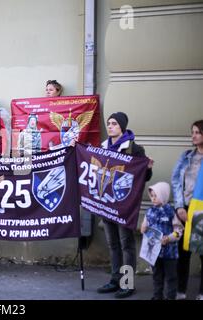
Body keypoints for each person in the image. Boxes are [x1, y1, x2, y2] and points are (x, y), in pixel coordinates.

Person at [97, 112, 153, 299]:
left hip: (125, 207)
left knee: (126, 244)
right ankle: (115, 280)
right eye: (109, 123)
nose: (110, 126)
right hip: (106, 204)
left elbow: (142, 178)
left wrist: (148, 169)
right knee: (113, 244)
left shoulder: (134, 149)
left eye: (114, 123)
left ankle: (127, 283)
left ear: (122, 126)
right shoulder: (103, 147)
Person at [171, 119, 203, 300]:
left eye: (197, 132)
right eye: (192, 132)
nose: (193, 135)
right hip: (187, 209)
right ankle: (180, 292)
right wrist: (179, 207)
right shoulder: (186, 156)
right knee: (183, 253)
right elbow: (176, 182)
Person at [140, 182, 183, 300]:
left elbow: (179, 231)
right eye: (152, 196)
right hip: (154, 252)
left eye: (156, 196)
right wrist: (143, 227)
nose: (153, 198)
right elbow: (145, 225)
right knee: (157, 276)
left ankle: (170, 297)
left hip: (169, 253)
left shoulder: (170, 212)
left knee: (171, 277)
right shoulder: (149, 211)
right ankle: (157, 296)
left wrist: (170, 238)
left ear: (163, 196)